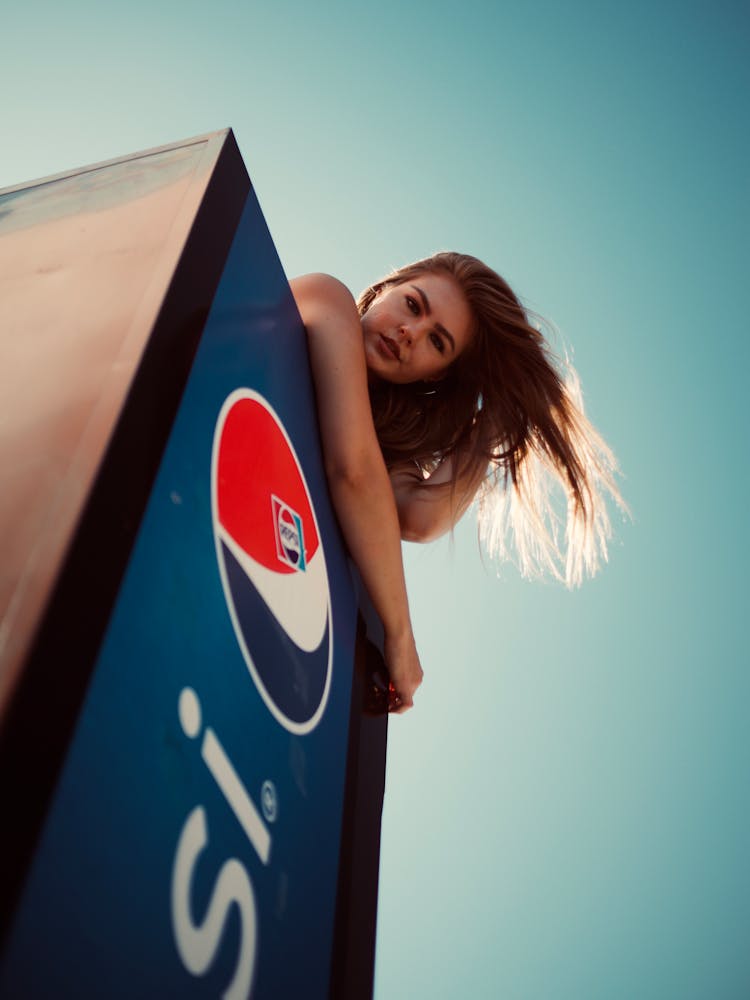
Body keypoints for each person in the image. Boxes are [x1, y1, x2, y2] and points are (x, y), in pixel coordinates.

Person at [290, 252, 623, 714]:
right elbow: (352, 471)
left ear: (437, 374)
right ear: (390, 286)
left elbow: (418, 517)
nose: (410, 333)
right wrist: (401, 636)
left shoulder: (384, 447)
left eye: (437, 342)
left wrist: (492, 423)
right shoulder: (327, 298)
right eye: (412, 305)